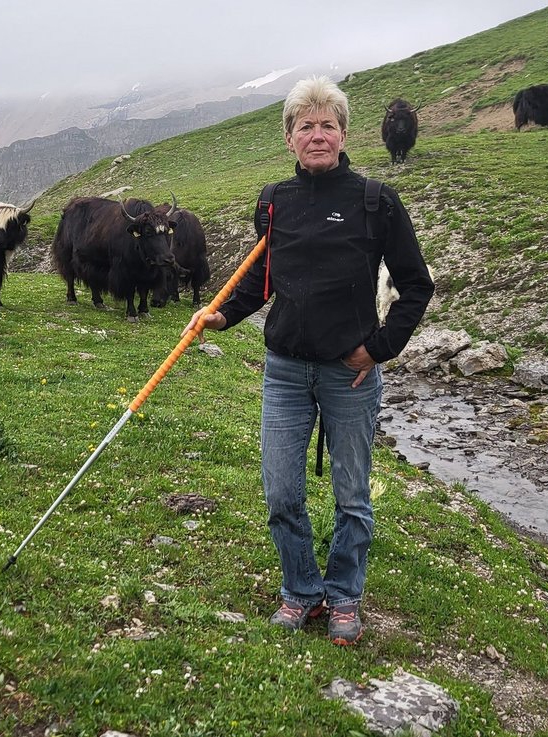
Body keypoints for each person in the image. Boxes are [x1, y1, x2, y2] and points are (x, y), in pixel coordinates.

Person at [183, 76, 433, 646]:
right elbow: (264, 282)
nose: (317, 135)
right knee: (281, 490)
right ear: (289, 139)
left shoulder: (376, 201)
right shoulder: (275, 202)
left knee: (352, 495)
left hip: (352, 373)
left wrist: (378, 347)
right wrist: (222, 316)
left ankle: (344, 595)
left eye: (327, 125)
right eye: (305, 126)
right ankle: (301, 589)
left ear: (343, 134)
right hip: (287, 371)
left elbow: (417, 286)